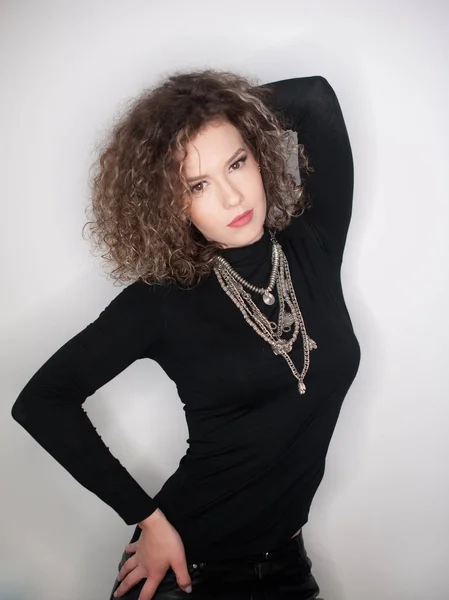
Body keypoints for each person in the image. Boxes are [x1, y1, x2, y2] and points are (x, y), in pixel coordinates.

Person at [11, 68, 361, 599]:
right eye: (197, 185)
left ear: (259, 156)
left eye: (237, 163)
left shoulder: (313, 244)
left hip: (288, 567)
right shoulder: (162, 302)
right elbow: (41, 401)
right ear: (171, 202)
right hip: (188, 571)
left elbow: (313, 97)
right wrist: (148, 520)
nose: (230, 196)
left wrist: (214, 110)